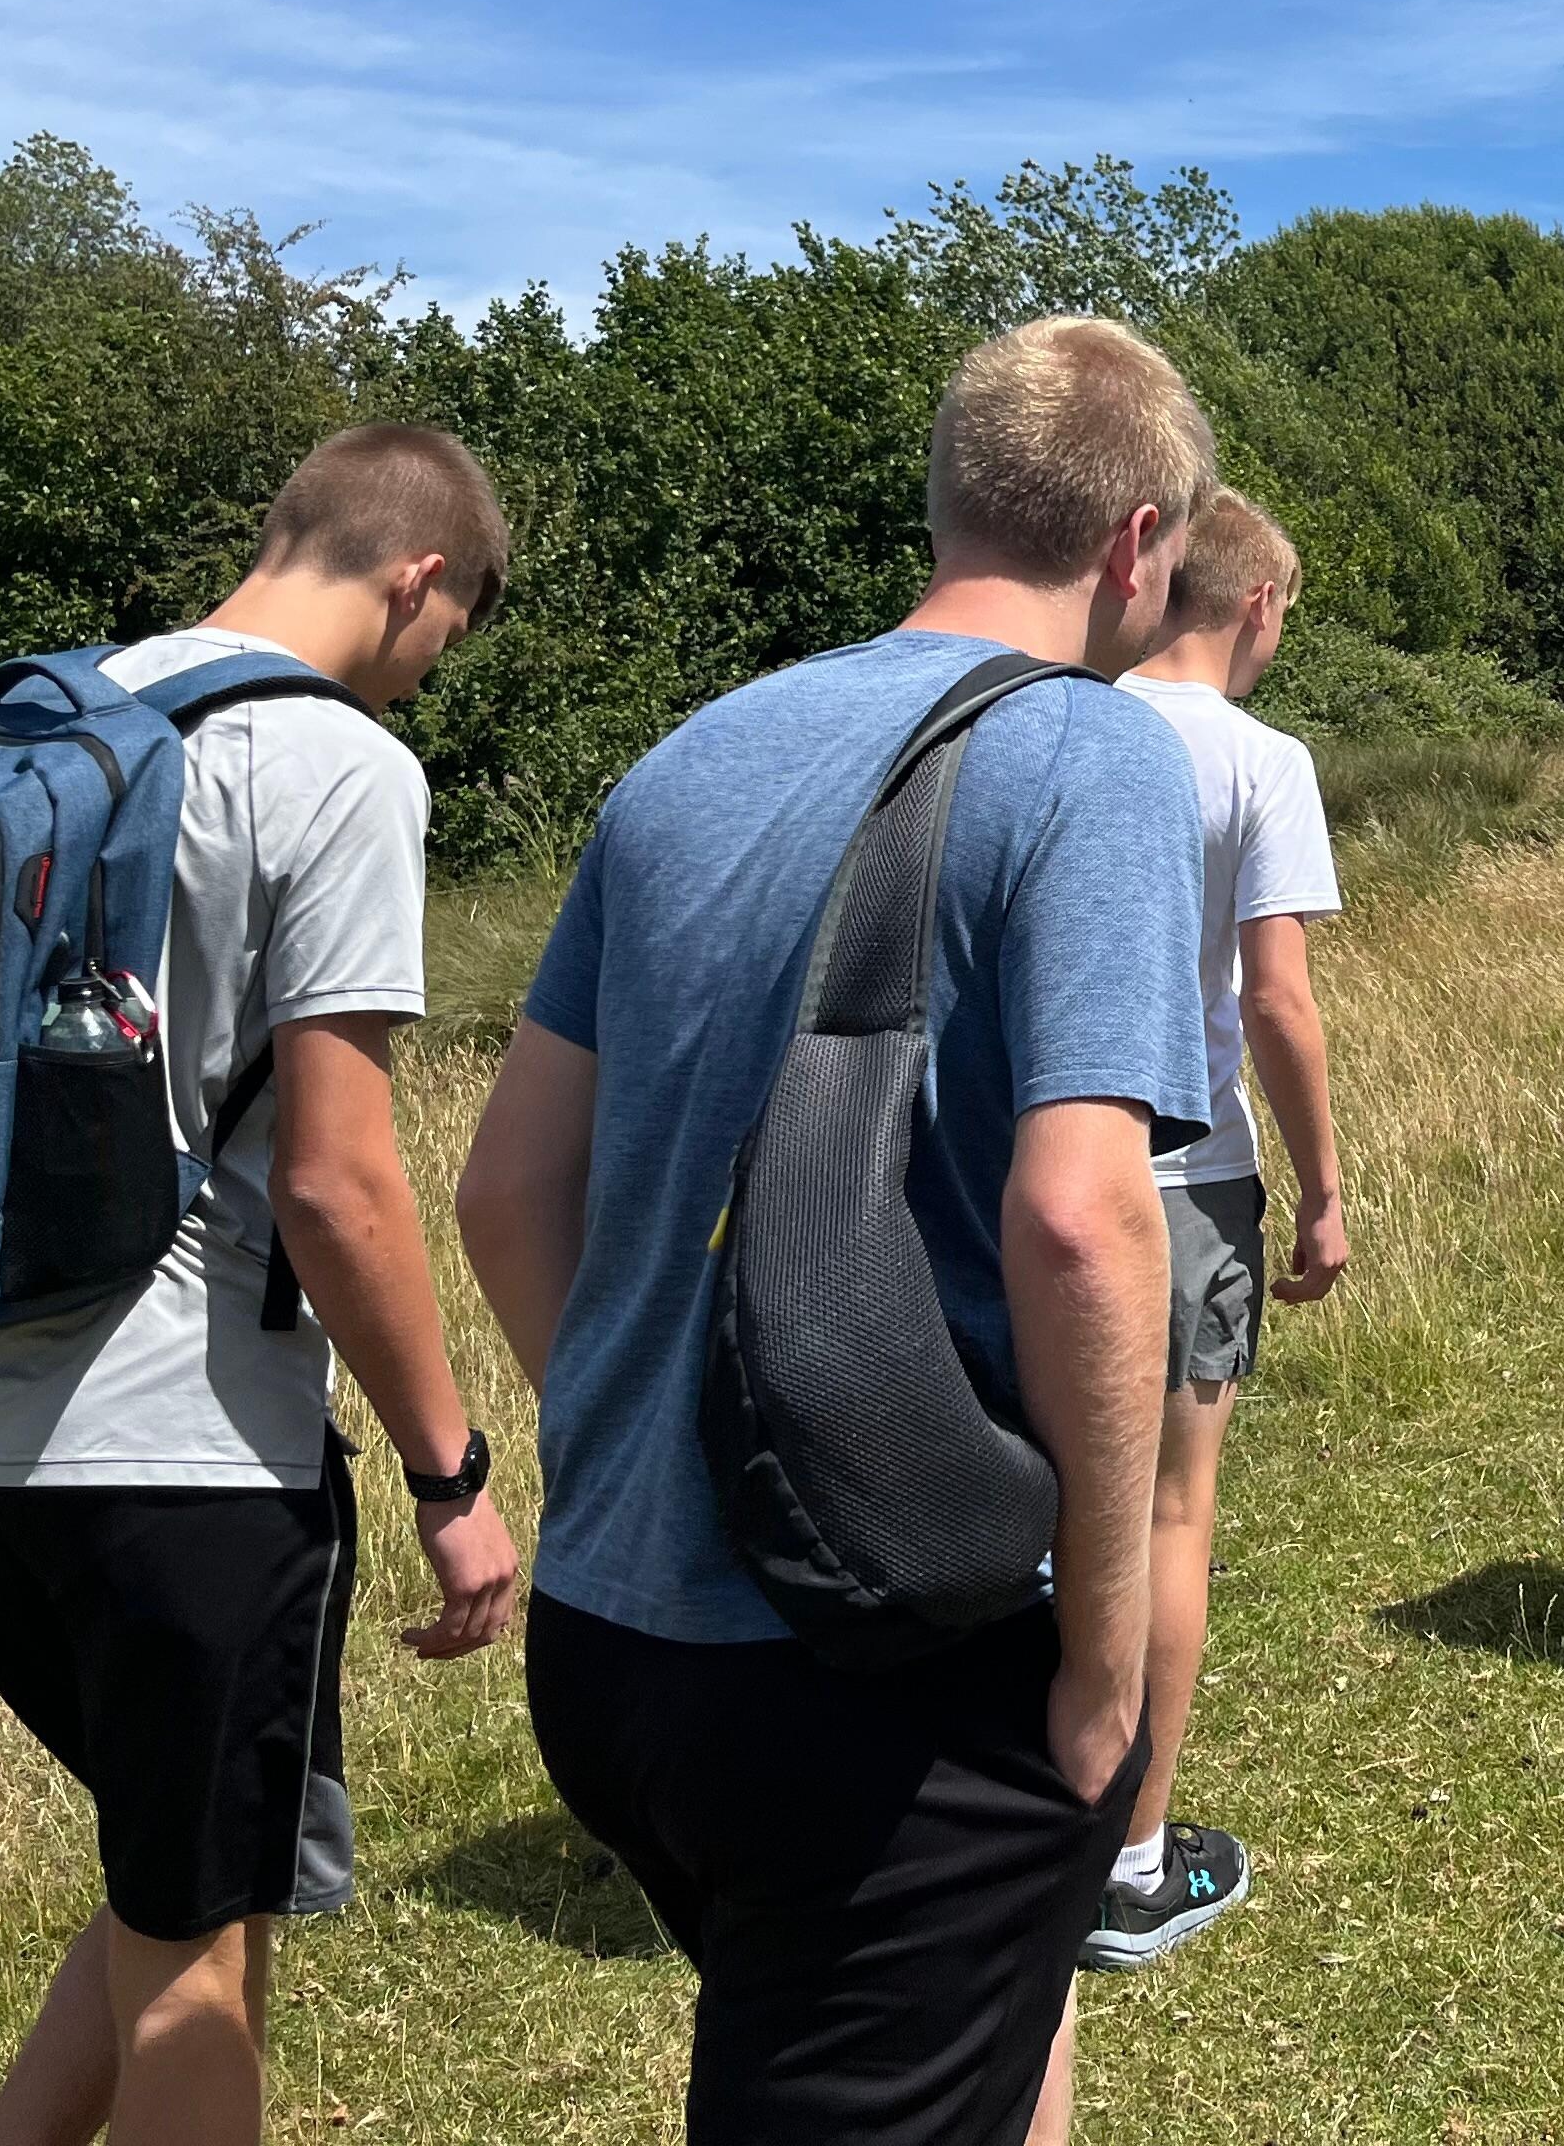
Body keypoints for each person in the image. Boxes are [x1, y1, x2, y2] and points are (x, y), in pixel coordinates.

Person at [457, 316, 1214, 2146]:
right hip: (886, 1662)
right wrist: (1105, 1654)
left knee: (962, 2044)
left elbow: (500, 1187)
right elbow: (1085, 1218)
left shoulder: (693, 755)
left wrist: (660, 1444)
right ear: (1133, 541)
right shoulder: (1091, 757)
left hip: (617, 1633)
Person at [0, 423, 522, 2146]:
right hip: (187, 1456)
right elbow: (335, 1173)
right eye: (449, 636)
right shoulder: (335, 762)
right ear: (421, 579)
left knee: (169, 1890)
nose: (430, 672)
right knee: (197, 1964)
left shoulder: (36, 720)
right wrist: (450, 1472)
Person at [1093, 487, 1349, 1971]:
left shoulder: (1042, 716)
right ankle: (1131, 1864)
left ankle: (993, 1823)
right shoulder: (1260, 760)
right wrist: (1321, 1187)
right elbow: (1276, 1001)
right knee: (1165, 1518)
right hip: (1186, 1177)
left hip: (1018, 1172)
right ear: (1252, 606)